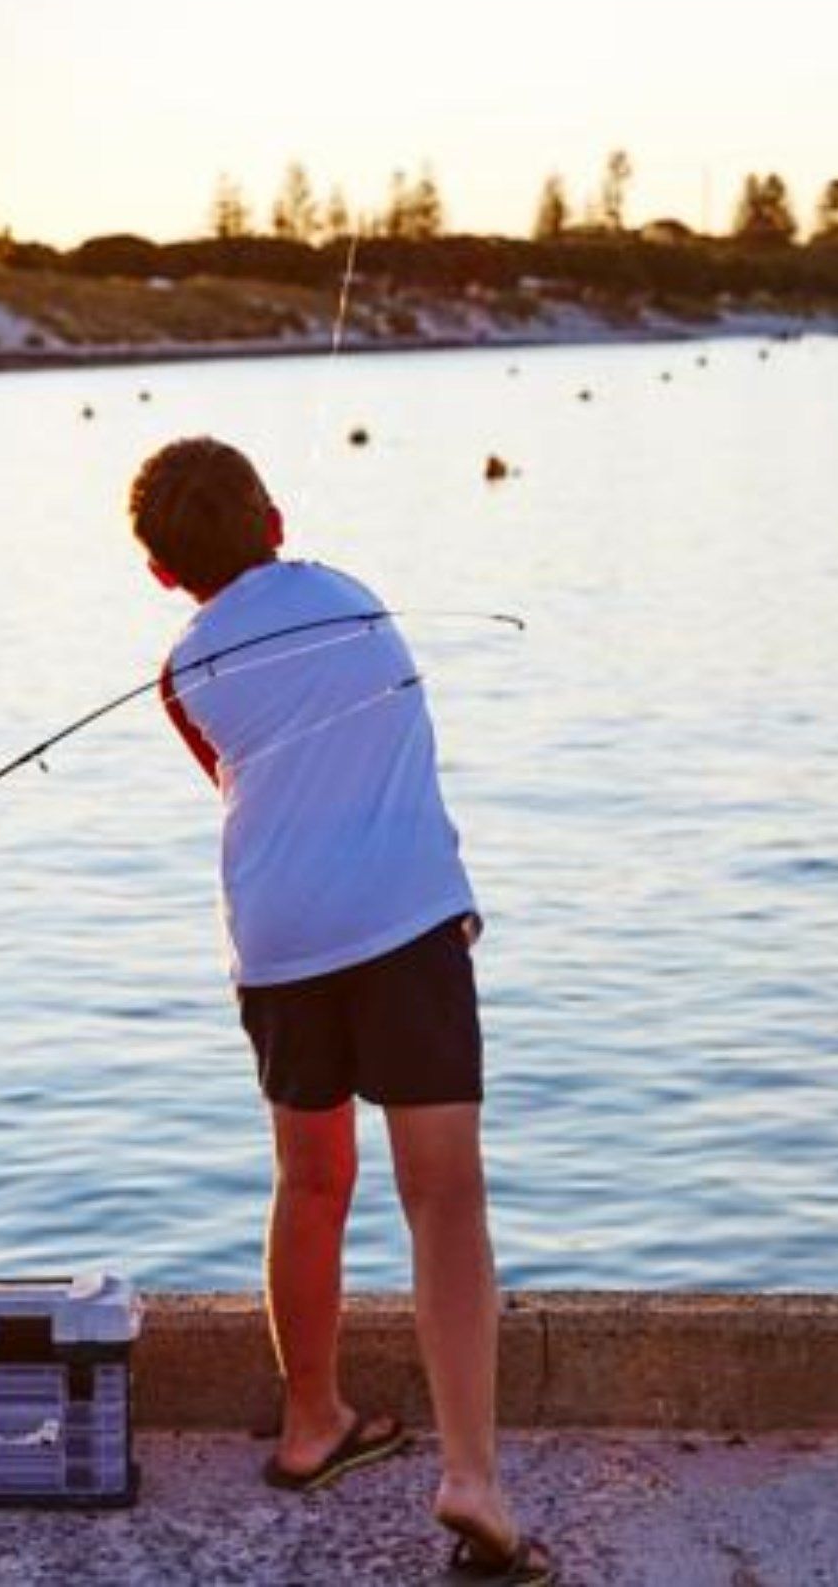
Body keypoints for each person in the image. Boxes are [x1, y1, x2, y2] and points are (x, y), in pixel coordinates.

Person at [128, 438, 554, 1584]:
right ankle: (471, 1474)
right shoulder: (359, 599)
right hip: (405, 921)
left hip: (279, 939)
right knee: (444, 1195)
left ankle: (310, 1419)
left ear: (163, 573)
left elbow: (227, 769)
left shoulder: (176, 669)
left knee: (311, 1181)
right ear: (275, 518)